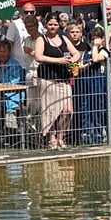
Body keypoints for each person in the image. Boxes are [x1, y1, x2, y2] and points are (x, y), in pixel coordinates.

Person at [34, 13, 81, 149]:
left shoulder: (64, 37)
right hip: (48, 79)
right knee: (50, 110)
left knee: (67, 110)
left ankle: (61, 137)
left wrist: (72, 60)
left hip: (63, 78)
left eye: (55, 24)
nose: (53, 27)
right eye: (50, 24)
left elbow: (76, 53)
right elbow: (38, 56)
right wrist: (58, 60)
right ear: (45, 24)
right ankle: (52, 138)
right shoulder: (41, 39)